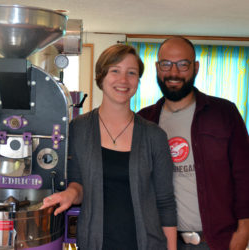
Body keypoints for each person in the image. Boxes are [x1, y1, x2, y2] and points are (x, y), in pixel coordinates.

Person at [41, 44, 177, 250]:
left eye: (131, 73)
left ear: (138, 81)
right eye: (115, 71)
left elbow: (165, 202)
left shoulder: (154, 136)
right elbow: (78, 184)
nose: (123, 80)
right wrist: (69, 194)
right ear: (101, 76)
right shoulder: (78, 129)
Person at [138, 36, 249, 250]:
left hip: (216, 242)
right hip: (161, 241)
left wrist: (244, 231)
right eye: (166, 64)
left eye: (183, 64)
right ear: (157, 67)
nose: (173, 73)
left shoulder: (224, 113)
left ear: (195, 67)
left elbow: (245, 174)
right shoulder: (143, 121)